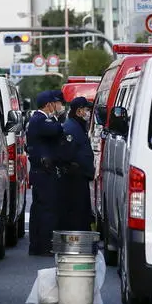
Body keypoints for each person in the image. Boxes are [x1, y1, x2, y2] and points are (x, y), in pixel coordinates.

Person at [25, 90, 65, 256]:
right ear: (49, 105)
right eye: (56, 103)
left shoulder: (37, 119)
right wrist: (60, 119)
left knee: (39, 208)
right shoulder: (40, 120)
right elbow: (57, 130)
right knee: (48, 209)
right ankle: (45, 245)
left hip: (40, 171)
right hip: (44, 171)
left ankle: (37, 245)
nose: (58, 106)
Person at [57, 97, 95, 232]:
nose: (88, 113)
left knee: (82, 213)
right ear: (79, 111)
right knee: (76, 214)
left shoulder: (78, 126)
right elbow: (66, 153)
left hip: (80, 178)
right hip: (74, 180)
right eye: (86, 110)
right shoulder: (71, 128)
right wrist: (73, 166)